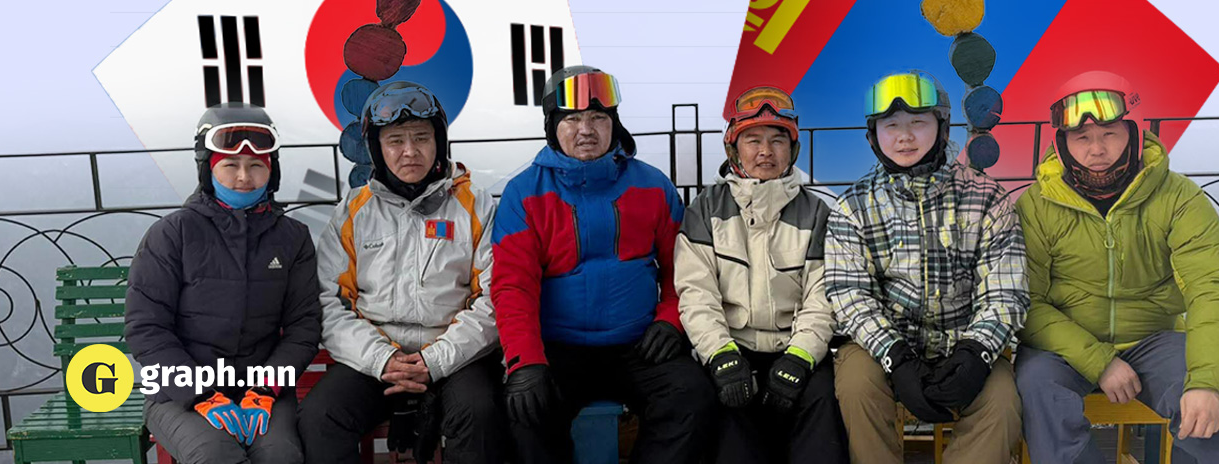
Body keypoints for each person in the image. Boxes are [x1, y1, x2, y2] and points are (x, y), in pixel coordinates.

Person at [1014, 73, 1219, 463]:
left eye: (1110, 133)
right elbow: (1025, 301)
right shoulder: (1036, 206)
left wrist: (1208, 383)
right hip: (1064, 346)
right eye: (1082, 138)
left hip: (1153, 338)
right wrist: (1099, 361)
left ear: (1134, 133)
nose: (1097, 149)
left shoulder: (1179, 198)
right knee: (1038, 387)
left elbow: (1213, 287)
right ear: (1062, 143)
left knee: (1206, 400)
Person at [491, 65, 717, 464]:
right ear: (552, 126)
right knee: (526, 414)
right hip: (557, 348)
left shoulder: (653, 186)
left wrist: (670, 321)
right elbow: (513, 286)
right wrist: (525, 361)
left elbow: (683, 270)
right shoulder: (523, 193)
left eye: (598, 117)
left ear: (614, 123)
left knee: (692, 397)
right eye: (572, 119)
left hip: (639, 344)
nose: (586, 130)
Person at [825, 71, 1029, 464]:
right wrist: (896, 357)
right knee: (855, 385)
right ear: (873, 136)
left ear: (942, 127)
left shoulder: (987, 197)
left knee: (1002, 402)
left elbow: (1007, 289)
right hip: (885, 346)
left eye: (918, 122)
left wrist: (977, 352)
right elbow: (849, 294)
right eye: (891, 125)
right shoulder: (853, 206)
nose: (905, 137)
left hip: (964, 340)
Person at [299, 82, 502, 464]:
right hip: (376, 355)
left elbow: (493, 298)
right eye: (395, 141)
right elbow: (329, 301)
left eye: (422, 138)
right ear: (376, 148)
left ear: (439, 141)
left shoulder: (475, 206)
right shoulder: (353, 212)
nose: (410, 151)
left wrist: (435, 361)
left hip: (455, 356)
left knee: (479, 413)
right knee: (320, 417)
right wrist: (382, 360)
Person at [126, 103, 320, 464]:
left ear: (272, 170)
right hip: (179, 393)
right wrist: (199, 394)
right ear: (208, 169)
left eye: (257, 165)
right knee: (215, 455)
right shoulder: (173, 234)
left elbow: (303, 325)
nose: (244, 177)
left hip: (261, 389)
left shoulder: (292, 238)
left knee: (280, 456)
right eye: (230, 165)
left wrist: (266, 388)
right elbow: (147, 328)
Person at [675, 85, 848, 464]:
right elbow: (696, 294)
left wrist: (800, 358)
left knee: (823, 414)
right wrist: (720, 356)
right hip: (731, 350)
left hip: (797, 350)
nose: (766, 151)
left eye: (777, 140)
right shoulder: (705, 209)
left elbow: (823, 298)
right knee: (730, 439)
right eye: (753, 140)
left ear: (793, 150)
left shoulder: (818, 213)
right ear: (734, 150)